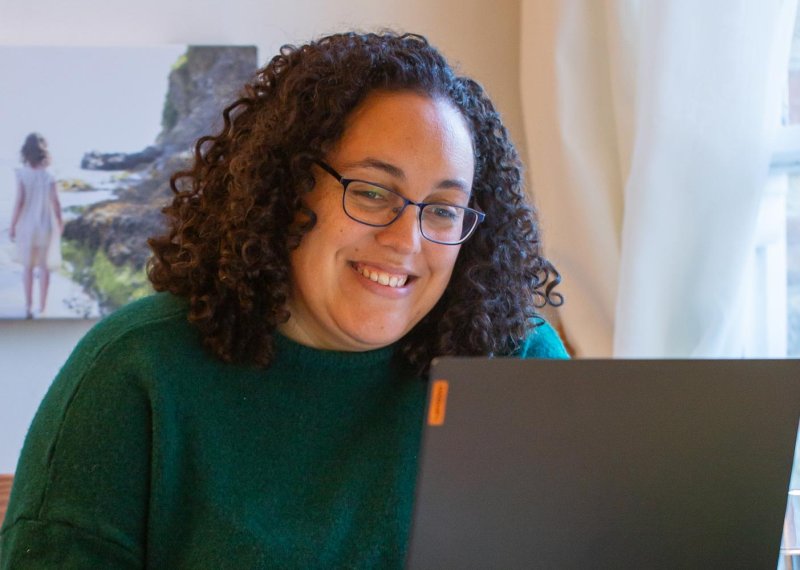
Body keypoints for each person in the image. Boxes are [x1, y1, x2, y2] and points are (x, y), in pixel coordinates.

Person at [0, 32, 568, 568]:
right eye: (372, 192)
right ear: (288, 189)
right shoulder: (134, 372)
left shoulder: (513, 361)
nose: (406, 240)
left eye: (443, 209)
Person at [9, 133, 63, 319]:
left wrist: (13, 225)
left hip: (27, 225)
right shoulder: (49, 174)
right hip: (46, 225)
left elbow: (20, 202)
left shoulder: (22, 173)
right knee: (44, 267)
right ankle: (43, 307)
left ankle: (28, 306)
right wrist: (60, 222)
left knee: (28, 268)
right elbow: (56, 202)